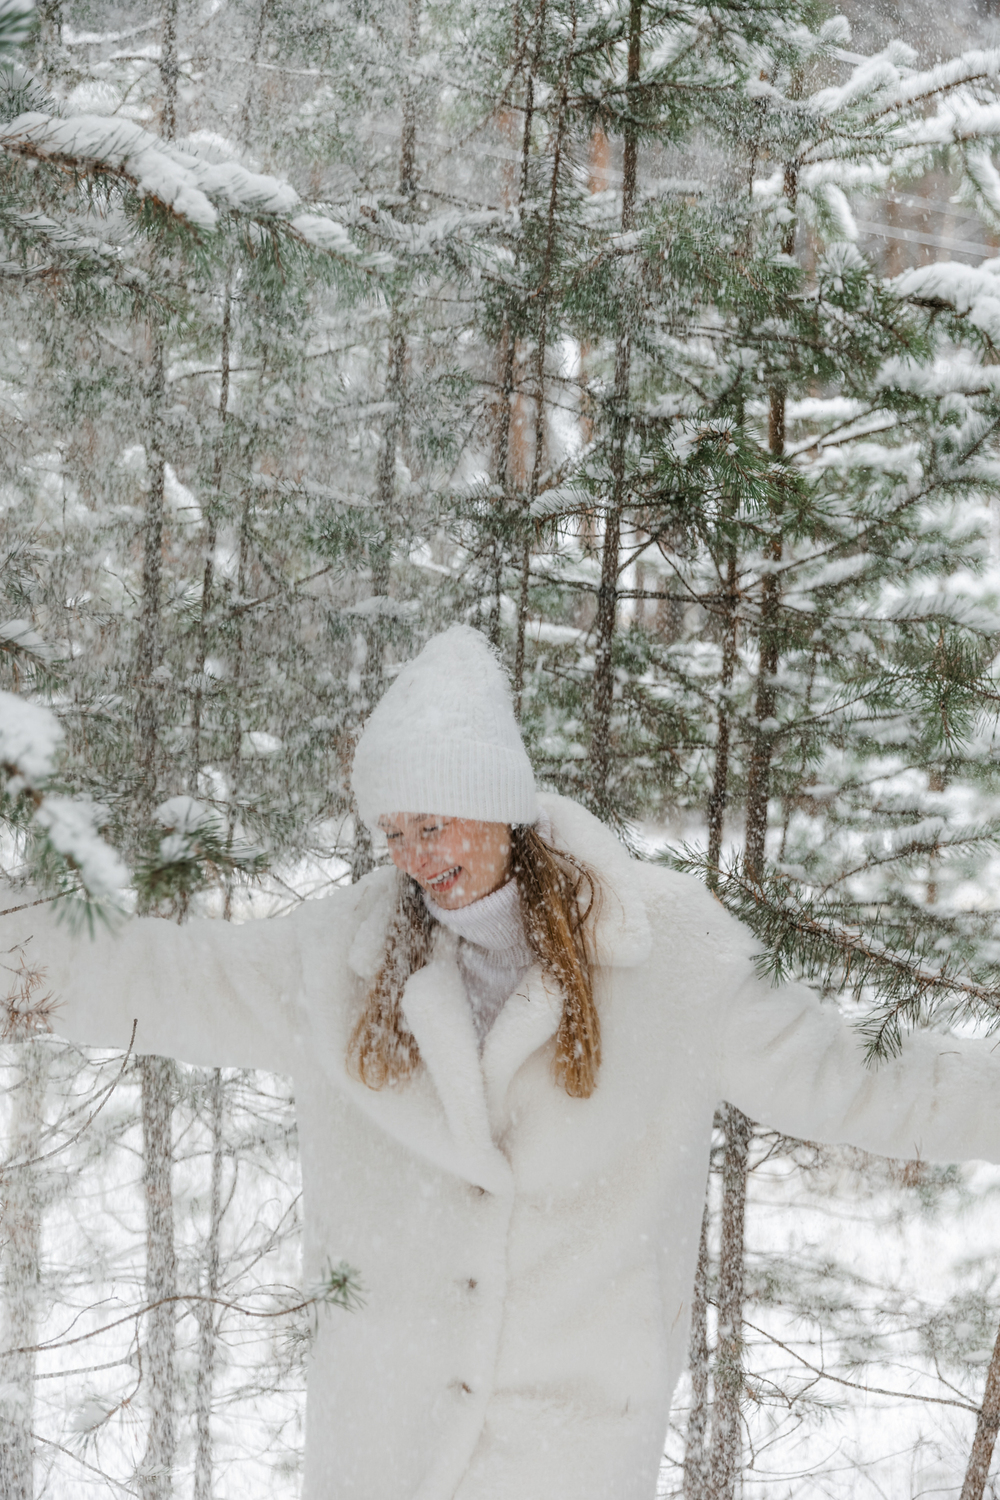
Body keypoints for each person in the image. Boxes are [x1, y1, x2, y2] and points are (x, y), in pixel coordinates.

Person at [6, 623, 1000, 1500]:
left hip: (571, 1442)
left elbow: (856, 1077)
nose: (411, 855)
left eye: (431, 823)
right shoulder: (341, 961)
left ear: (500, 807)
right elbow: (170, 979)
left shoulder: (668, 953)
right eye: (392, 831)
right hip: (382, 1444)